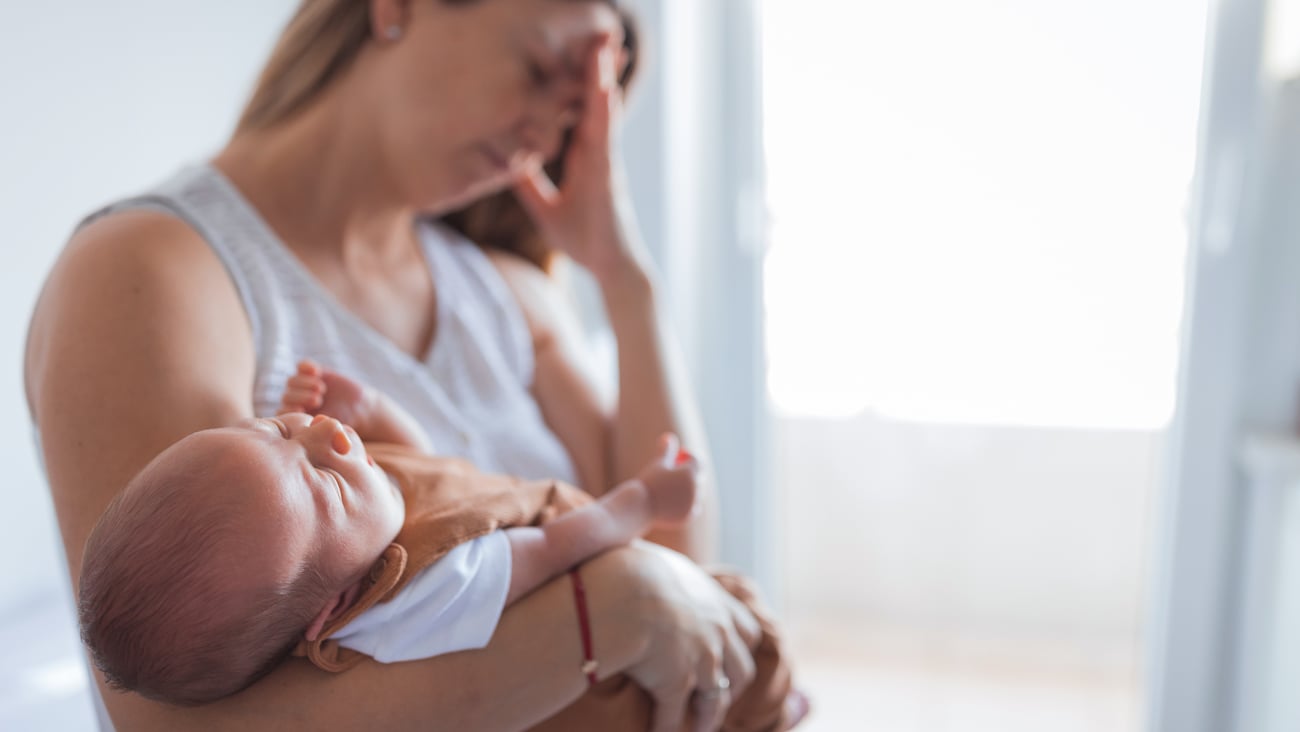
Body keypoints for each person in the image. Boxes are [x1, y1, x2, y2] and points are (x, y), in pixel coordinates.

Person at [26, 0, 809, 729]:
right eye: (540, 71)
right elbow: (170, 720)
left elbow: (679, 566)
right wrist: (601, 613)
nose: (546, 131)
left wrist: (624, 278)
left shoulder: (509, 293)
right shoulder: (153, 269)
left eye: (572, 115)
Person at [79, 360, 700, 706]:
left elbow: (431, 481)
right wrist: (646, 498)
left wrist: (374, 413)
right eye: (325, 475)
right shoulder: (428, 588)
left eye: (272, 430)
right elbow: (560, 543)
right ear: (338, 609)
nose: (329, 435)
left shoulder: (355, 539)